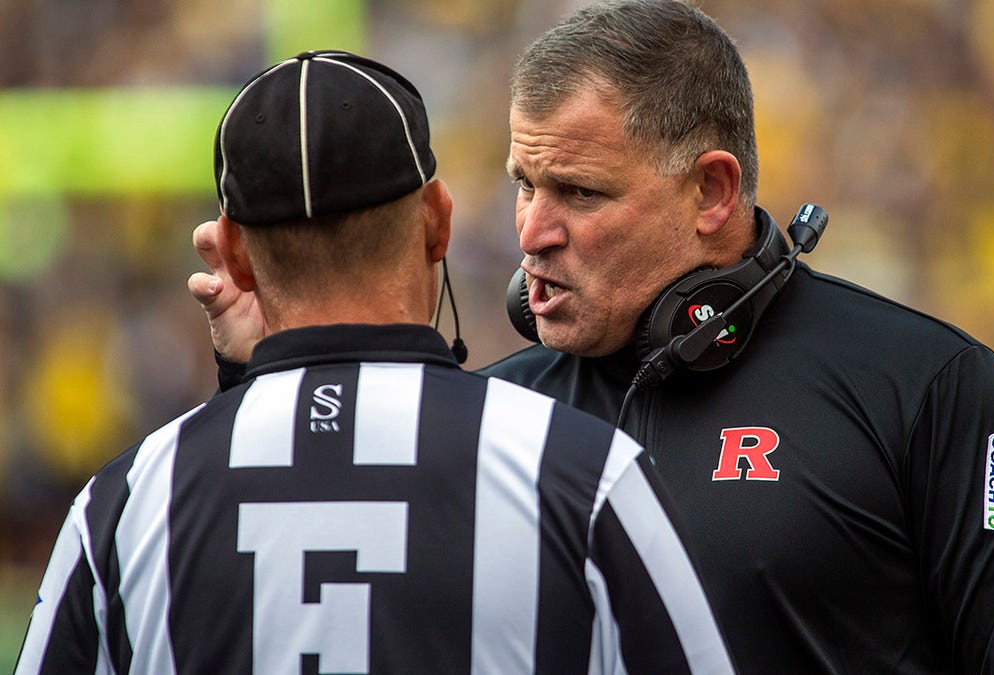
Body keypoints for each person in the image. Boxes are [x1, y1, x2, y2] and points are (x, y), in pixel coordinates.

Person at [187, 2, 994, 672]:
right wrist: (262, 378)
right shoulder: (495, 413)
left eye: (579, 193)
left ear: (711, 191)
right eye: (523, 184)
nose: (531, 231)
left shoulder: (928, 389)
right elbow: (295, 614)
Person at [15, 50, 735, 675]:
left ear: (231, 251)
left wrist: (246, 387)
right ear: (437, 219)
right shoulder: (583, 473)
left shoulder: (127, 502)